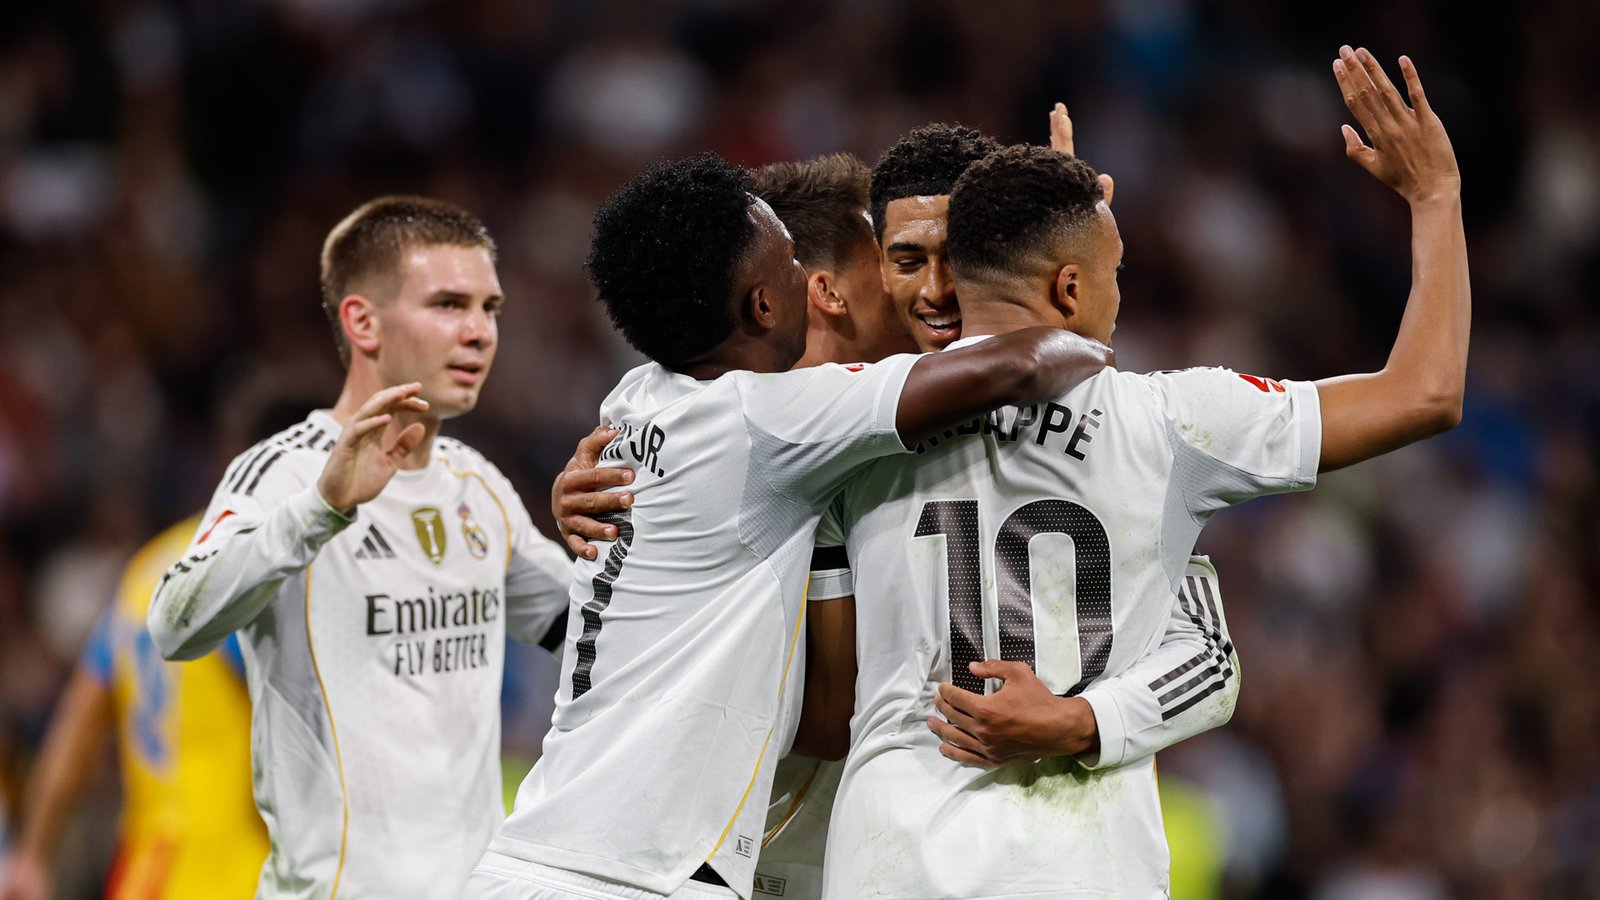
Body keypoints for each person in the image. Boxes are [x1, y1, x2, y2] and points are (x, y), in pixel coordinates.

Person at [820, 48, 1466, 898]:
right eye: (1114, 273)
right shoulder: (1170, 421)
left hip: (891, 863)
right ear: (1069, 285)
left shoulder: (839, 420)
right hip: (1081, 868)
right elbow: (1424, 392)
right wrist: (1435, 196)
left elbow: (828, 709)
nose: (1121, 297)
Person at [557, 119, 1241, 900]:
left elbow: (1206, 647)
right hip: (762, 854)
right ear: (851, 278)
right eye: (908, 259)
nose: (944, 289)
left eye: (972, 259)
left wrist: (1087, 720)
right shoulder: (810, 429)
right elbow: (826, 714)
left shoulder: (1100, 432)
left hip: (953, 860)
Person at [466, 153, 1113, 899]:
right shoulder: (770, 422)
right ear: (777, 302)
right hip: (638, 874)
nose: (933, 286)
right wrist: (1085, 299)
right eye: (791, 264)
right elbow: (1025, 364)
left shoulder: (633, 400)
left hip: (543, 852)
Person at [147, 196, 575, 898]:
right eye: (447, 304)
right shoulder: (284, 472)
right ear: (362, 321)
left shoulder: (478, 487)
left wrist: (616, 543)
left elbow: (595, 633)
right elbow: (173, 624)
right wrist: (321, 509)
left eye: (489, 308)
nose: (479, 333)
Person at [0, 515, 266, 900]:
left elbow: (73, 730)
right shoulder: (246, 567)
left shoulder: (141, 577)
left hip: (145, 873)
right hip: (234, 867)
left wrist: (32, 856)